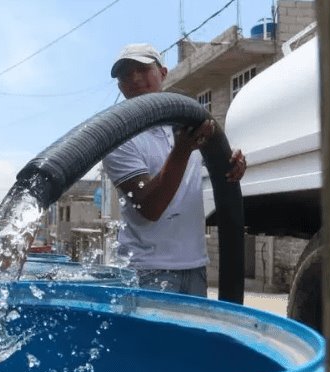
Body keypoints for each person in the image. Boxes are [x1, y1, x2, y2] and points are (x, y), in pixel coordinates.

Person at [102, 43, 246, 297]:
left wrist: (232, 164)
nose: (134, 78)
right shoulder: (118, 138)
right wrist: (181, 150)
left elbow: (217, 170)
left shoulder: (186, 126)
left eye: (142, 69)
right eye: (125, 74)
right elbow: (150, 207)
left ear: (163, 73)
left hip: (195, 266)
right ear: (119, 85)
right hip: (146, 272)